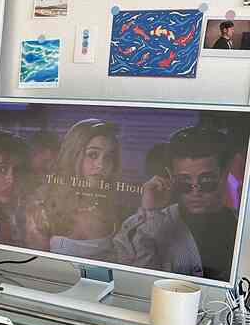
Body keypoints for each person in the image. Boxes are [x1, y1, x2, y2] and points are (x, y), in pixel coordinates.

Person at [115, 126, 237, 280]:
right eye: (184, 181)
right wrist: (151, 212)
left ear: (225, 174)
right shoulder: (136, 228)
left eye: (206, 180)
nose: (195, 192)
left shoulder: (241, 225)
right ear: (171, 176)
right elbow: (133, 283)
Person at [24, 120, 121, 261]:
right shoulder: (42, 206)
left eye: (109, 157)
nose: (101, 165)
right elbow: (35, 265)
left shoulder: (113, 207)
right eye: (93, 155)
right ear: (74, 156)